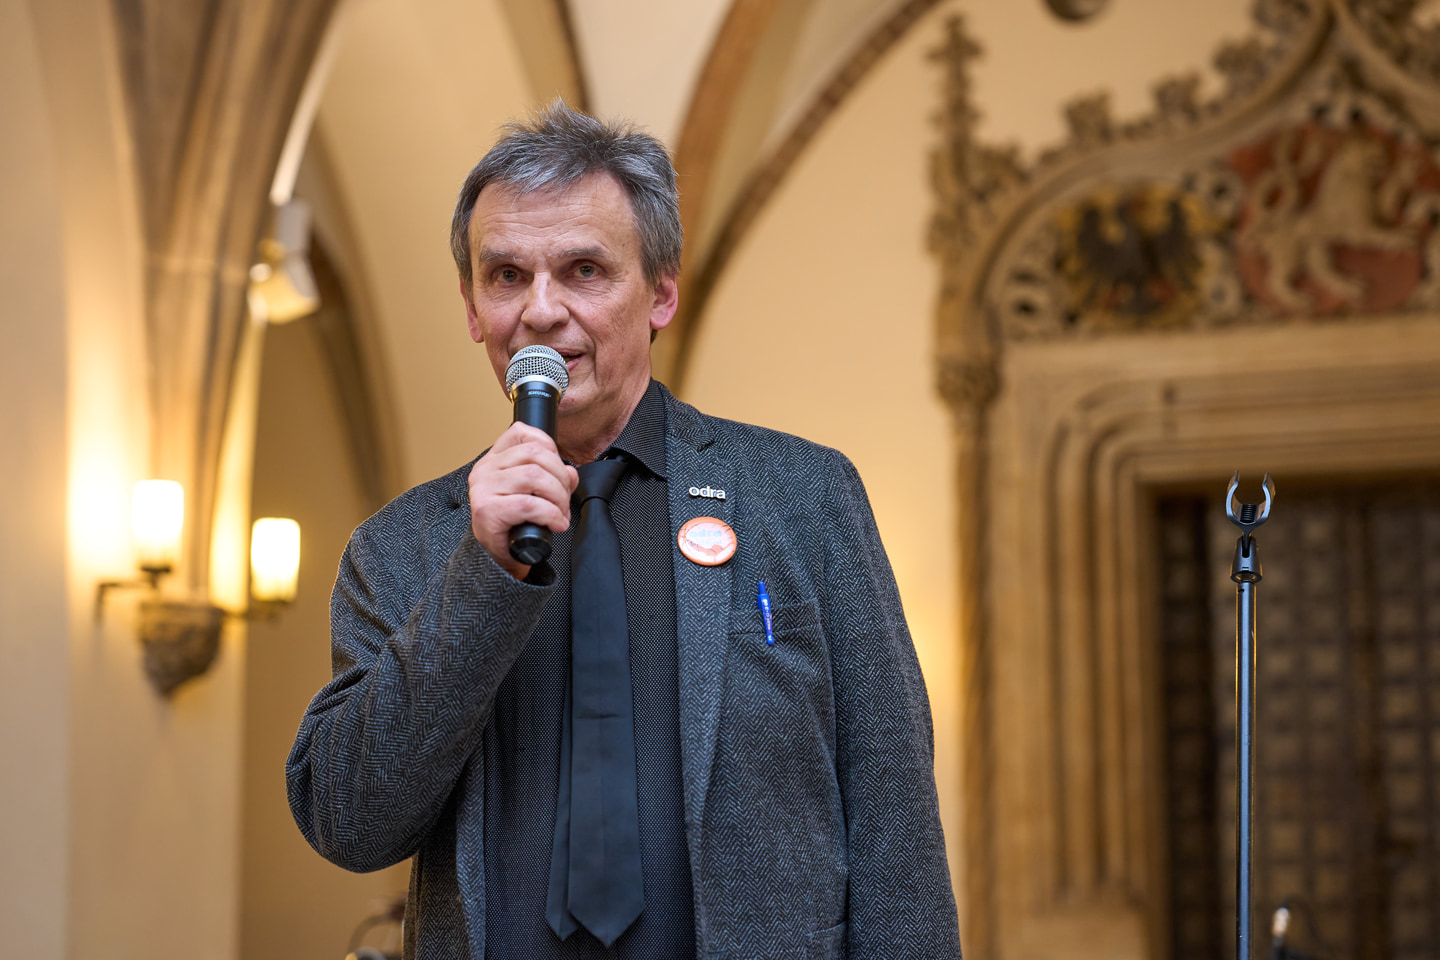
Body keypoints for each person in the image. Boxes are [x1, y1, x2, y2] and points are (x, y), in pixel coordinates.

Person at [286, 100, 961, 960]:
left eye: (583, 270)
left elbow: (895, 824)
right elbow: (350, 822)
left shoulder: (805, 499)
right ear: (472, 307)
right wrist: (481, 575)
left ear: (660, 293)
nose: (540, 310)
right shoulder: (402, 547)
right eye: (505, 275)